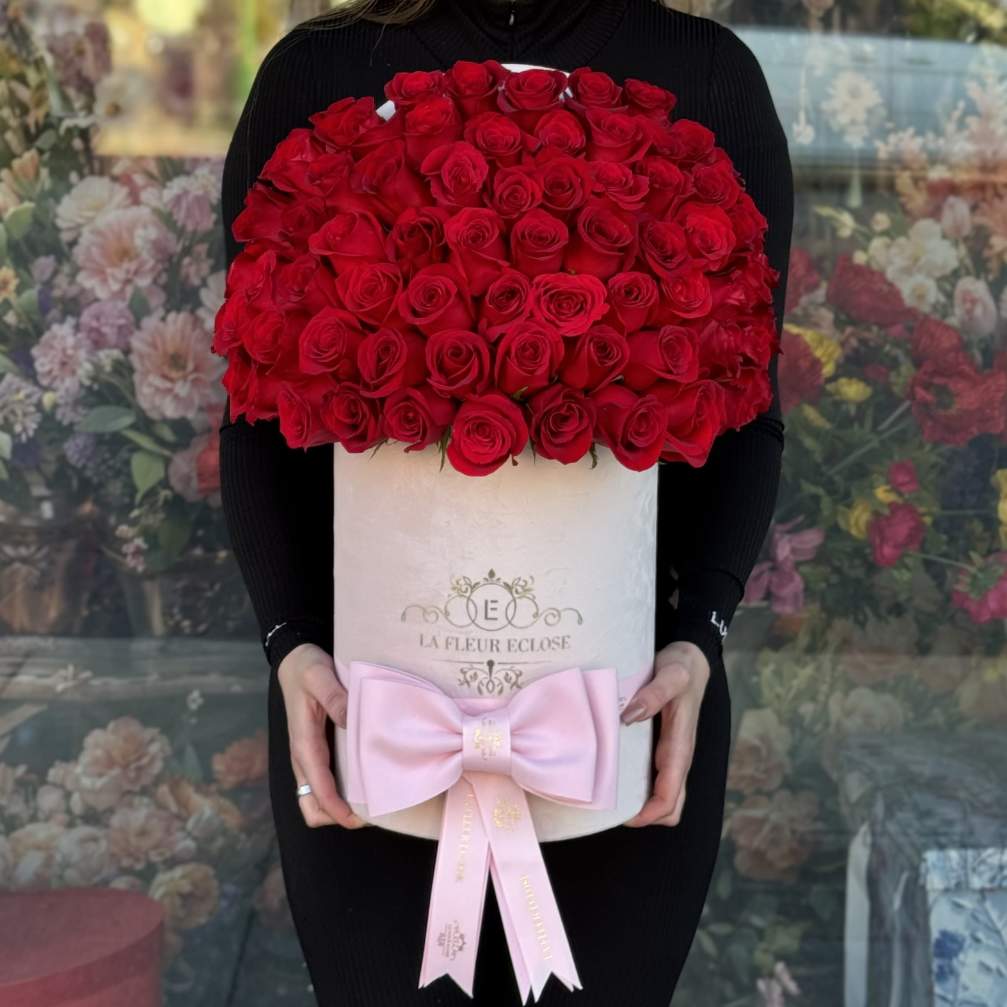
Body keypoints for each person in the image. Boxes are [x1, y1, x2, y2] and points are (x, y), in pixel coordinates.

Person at [218, 0, 793, 1002]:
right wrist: (290, 641)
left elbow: (746, 411)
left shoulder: (705, 75)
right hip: (368, 706)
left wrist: (699, 635)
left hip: (623, 706)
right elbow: (253, 412)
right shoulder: (318, 72)